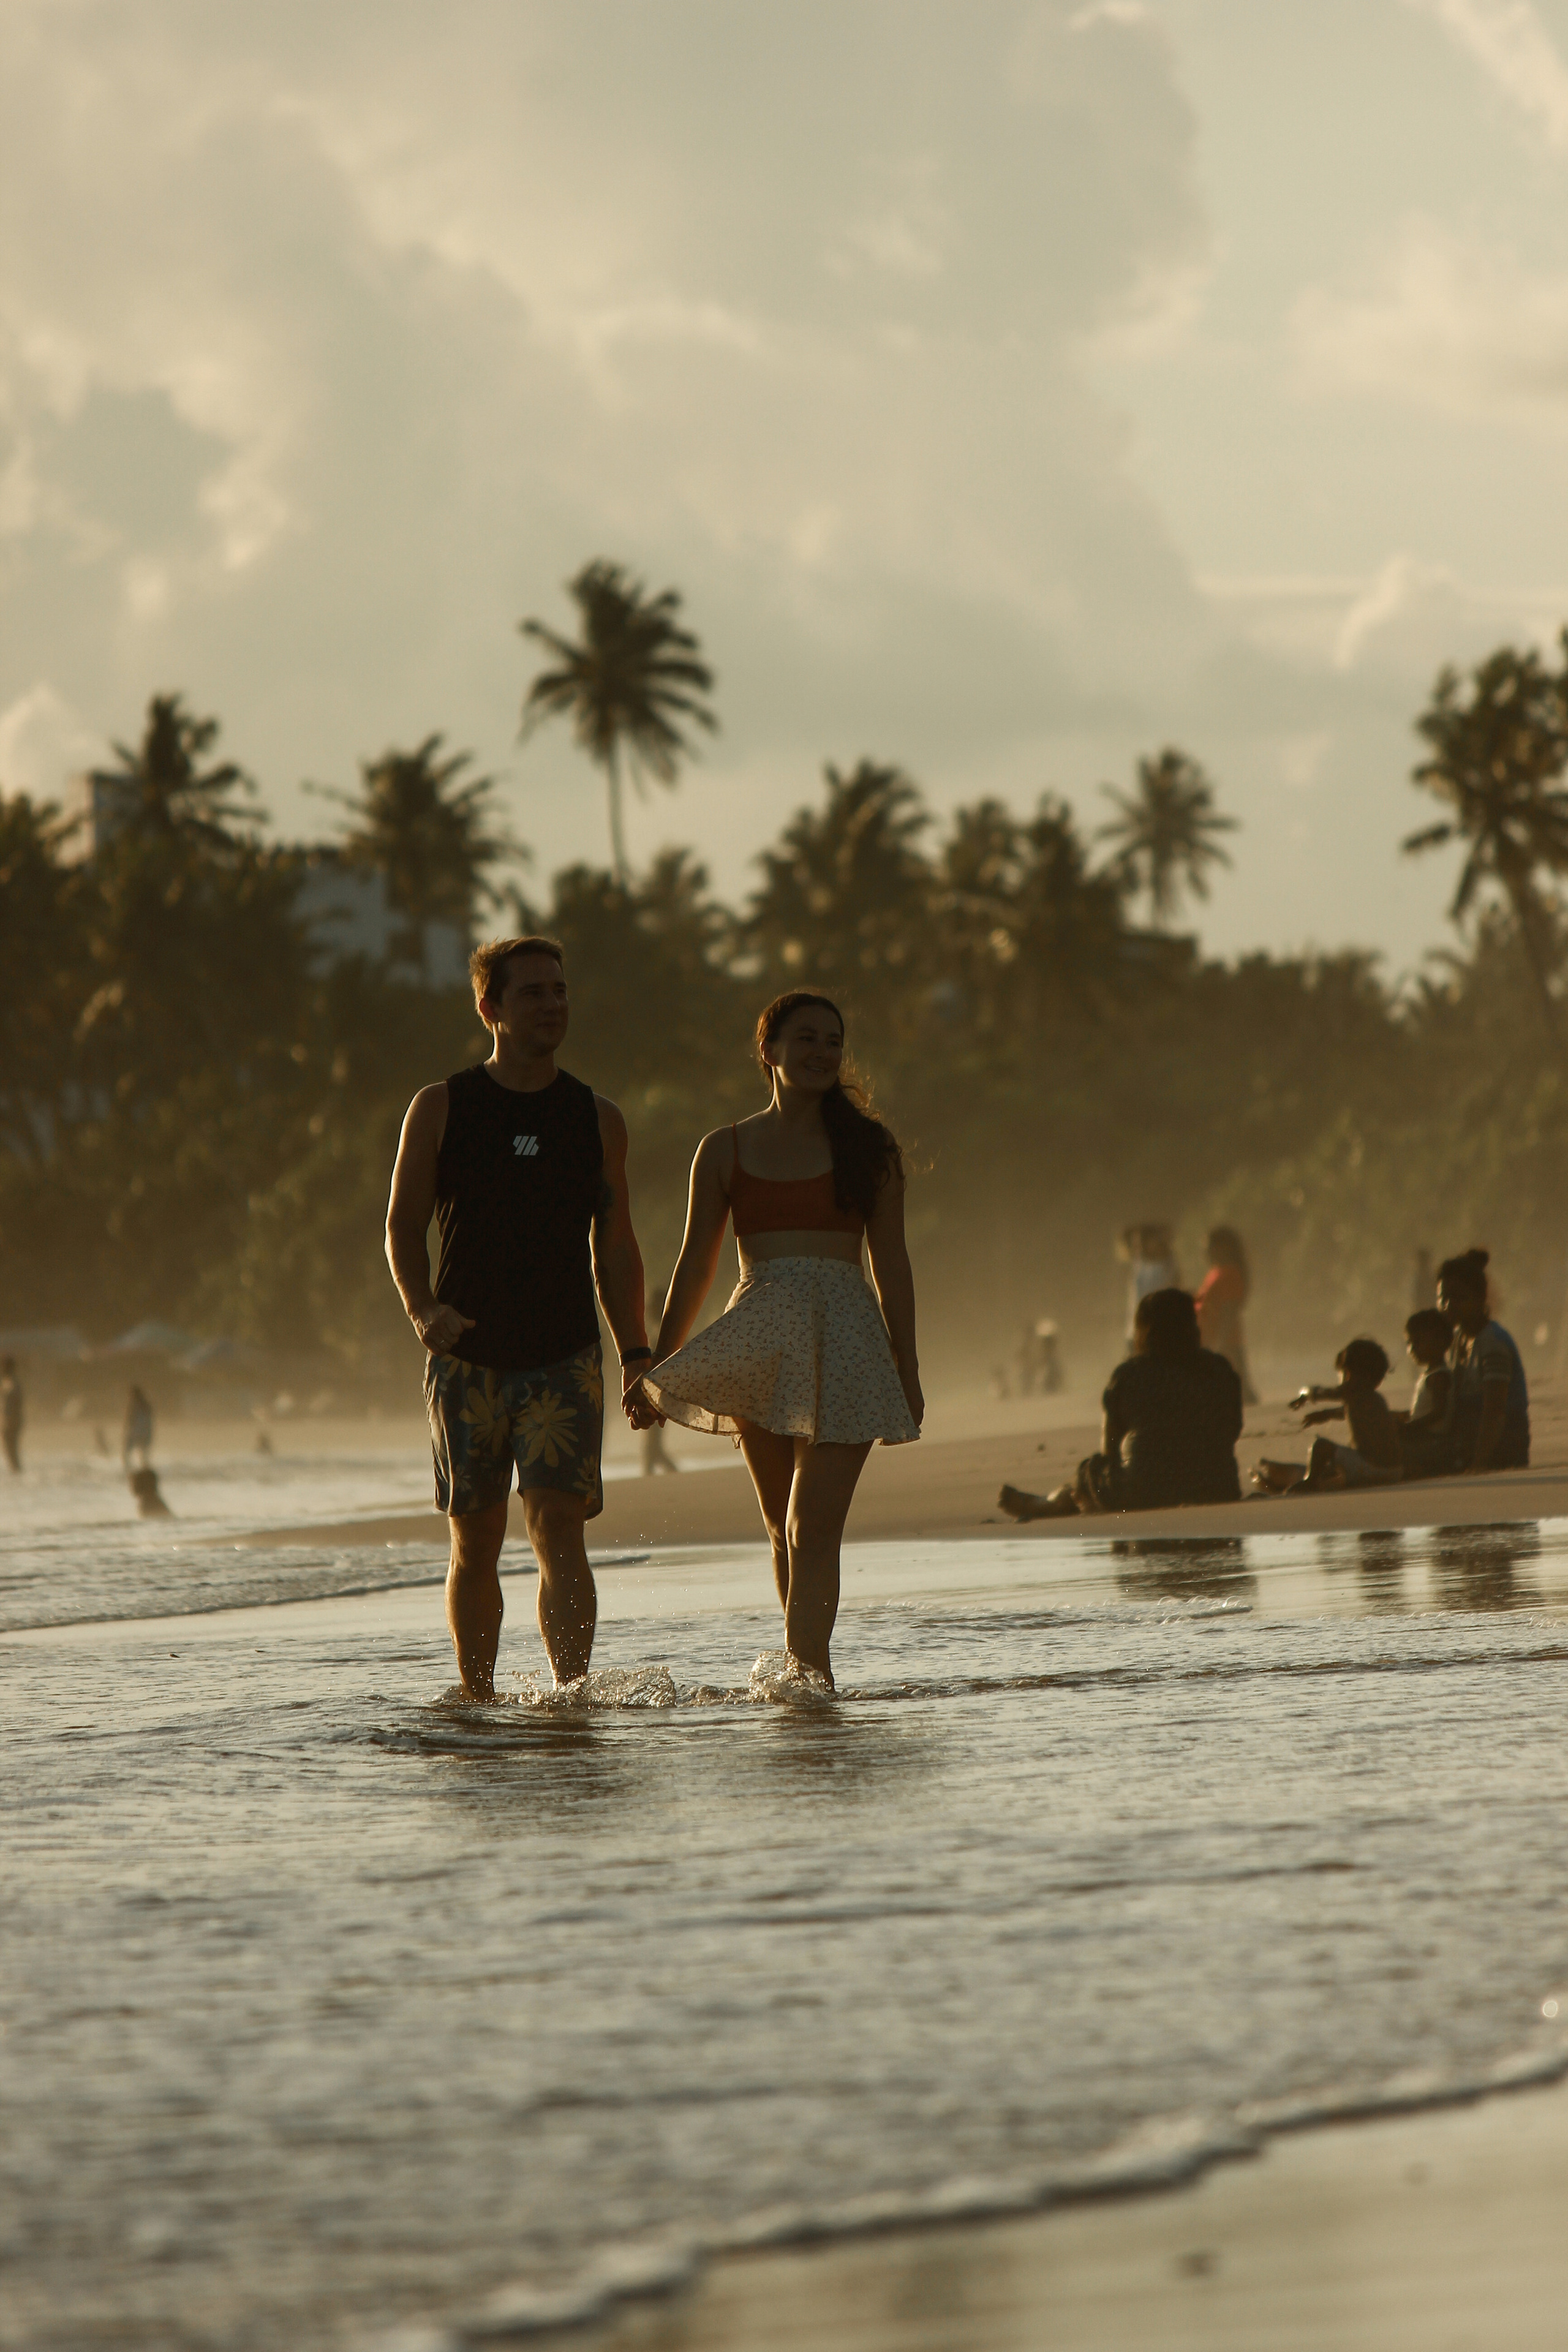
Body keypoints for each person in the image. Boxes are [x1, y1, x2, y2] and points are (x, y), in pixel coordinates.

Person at [385, 934, 651, 1700]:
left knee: (559, 1531)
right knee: (475, 1539)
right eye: (532, 992)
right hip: (466, 1353)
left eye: (559, 990)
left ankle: (571, 1695)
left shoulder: (595, 1118)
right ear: (490, 1008)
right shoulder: (442, 1106)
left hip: (563, 1354)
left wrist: (636, 1353)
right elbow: (401, 1225)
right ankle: (477, 1697)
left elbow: (616, 1245)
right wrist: (421, 1310)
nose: (552, 1004)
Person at [633, 990, 921, 1688]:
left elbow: (891, 1262)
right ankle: (805, 1680)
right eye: (806, 1039)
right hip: (758, 1340)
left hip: (846, 1337)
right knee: (778, 1525)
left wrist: (906, 1366)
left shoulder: (870, 1148)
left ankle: (808, 1681)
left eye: (833, 1041)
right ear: (768, 1051)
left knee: (810, 1526)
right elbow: (695, 1265)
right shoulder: (724, 1149)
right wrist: (658, 1365)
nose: (823, 1052)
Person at [998, 1287, 1242, 1519]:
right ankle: (1058, 1499)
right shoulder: (1219, 1370)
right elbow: (1232, 1430)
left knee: (1090, 1470)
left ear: (1144, 1331)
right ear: (1192, 1326)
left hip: (1140, 1496)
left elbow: (1109, 1451)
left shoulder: (1129, 1376)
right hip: (1218, 1488)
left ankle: (1053, 1502)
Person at [1254, 1338, 1402, 1491]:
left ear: (1348, 1373)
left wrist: (1307, 1394)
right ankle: (1320, 1480)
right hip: (1394, 1472)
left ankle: (1310, 1483)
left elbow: (1330, 1393)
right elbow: (1352, 1412)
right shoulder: (1375, 1399)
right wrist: (1326, 1414)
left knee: (1321, 1446)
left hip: (1372, 1469)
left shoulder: (1353, 1390)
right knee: (1339, 1462)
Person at [1438, 1247, 1530, 1472]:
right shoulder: (1459, 1338)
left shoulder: (1493, 1343)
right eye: (1443, 1298)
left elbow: (1495, 1411)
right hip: (1468, 1441)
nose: (1448, 1306)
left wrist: (1480, 1463)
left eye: (1459, 1298)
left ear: (1480, 1299)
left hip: (1504, 1446)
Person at [1194, 1226, 1257, 1403]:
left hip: (1226, 1341)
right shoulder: (1215, 1272)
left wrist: (1221, 1342)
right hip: (1210, 1339)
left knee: (1240, 1389)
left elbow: (1230, 1310)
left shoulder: (1230, 1273)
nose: (1205, 1252)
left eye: (1209, 1247)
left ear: (1223, 1248)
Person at [1396, 1307, 1456, 1479]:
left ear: (1441, 1342)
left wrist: (1409, 1428)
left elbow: (1438, 1413)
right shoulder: (1430, 1375)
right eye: (1409, 1343)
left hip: (1431, 1440)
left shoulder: (1439, 1377)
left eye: (1418, 1342)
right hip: (1425, 1437)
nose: (1412, 1349)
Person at [1117, 1224, 1179, 1344]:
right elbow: (1125, 1239)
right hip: (1135, 1331)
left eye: (1144, 1240)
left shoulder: (1167, 1265)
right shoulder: (1139, 1264)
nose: (1140, 1245)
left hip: (1159, 1331)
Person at [123, 1384, 154, 1471]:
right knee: (142, 1452)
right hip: (143, 1432)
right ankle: (142, 1469)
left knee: (130, 1451)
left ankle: (130, 1469)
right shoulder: (146, 1404)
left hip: (136, 1431)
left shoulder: (135, 1405)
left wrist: (127, 1429)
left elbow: (129, 1419)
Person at [1, 1357, 22, 1474]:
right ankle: (15, 1471)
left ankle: (16, 1471)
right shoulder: (8, 1382)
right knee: (10, 1449)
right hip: (9, 1420)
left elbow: (13, 1404)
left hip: (11, 1421)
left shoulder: (12, 1383)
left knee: (11, 1448)